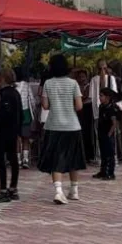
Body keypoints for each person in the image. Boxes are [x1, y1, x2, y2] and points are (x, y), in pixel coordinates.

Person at [40, 54, 86, 205]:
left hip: (54, 125)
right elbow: (79, 106)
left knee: (56, 158)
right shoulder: (73, 83)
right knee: (73, 157)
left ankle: (58, 191)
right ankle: (74, 190)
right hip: (72, 126)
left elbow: (45, 106)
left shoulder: (48, 83)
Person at [0, 67, 22, 203]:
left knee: (0, 159)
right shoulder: (15, 93)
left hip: (4, 131)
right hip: (13, 130)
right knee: (13, 158)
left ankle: (3, 188)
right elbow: (19, 114)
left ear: (1, 79)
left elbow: (4, 114)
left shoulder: (6, 95)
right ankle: (13, 187)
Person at [85, 61, 114, 164]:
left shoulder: (110, 79)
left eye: (104, 68)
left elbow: (113, 95)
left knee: (105, 135)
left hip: (105, 112)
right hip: (100, 112)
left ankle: (105, 157)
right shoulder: (95, 80)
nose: (102, 70)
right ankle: (103, 157)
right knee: (102, 135)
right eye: (101, 68)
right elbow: (92, 97)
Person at [93, 88, 121, 180]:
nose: (100, 98)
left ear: (107, 97)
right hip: (101, 132)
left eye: (101, 96)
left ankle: (110, 173)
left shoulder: (111, 108)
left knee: (109, 154)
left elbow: (114, 123)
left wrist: (109, 134)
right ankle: (103, 171)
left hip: (108, 134)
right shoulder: (101, 106)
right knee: (103, 154)